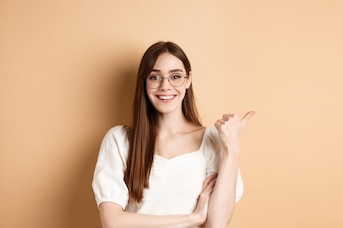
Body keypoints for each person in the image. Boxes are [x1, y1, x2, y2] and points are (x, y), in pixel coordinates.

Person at [92, 41, 255, 228]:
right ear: (144, 82)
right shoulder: (119, 140)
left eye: (175, 76)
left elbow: (217, 224)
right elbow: (112, 223)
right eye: (155, 77)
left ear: (188, 80)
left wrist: (232, 148)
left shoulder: (211, 140)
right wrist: (191, 219)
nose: (165, 86)